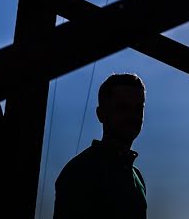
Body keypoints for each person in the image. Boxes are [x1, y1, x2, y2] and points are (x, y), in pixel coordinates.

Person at [54, 73, 148, 219]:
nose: (132, 115)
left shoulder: (137, 178)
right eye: (122, 108)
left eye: (138, 108)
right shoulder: (79, 171)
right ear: (101, 114)